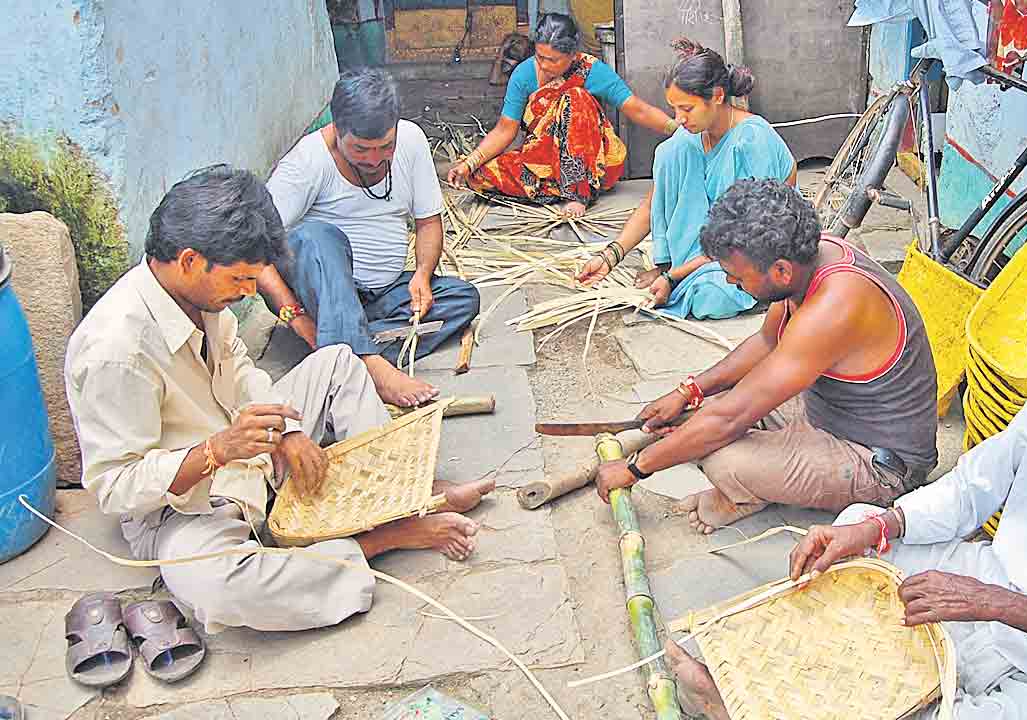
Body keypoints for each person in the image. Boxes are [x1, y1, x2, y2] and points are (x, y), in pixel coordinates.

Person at [666, 269, 1027, 720]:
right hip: (1001, 586)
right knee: (862, 529)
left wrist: (991, 603)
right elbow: (970, 489)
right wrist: (875, 529)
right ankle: (762, 680)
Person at [65, 166, 493, 635]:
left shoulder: (201, 297)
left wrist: (284, 431)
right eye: (240, 280)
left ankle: (392, 500)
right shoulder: (114, 351)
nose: (249, 293)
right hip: (185, 506)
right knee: (218, 587)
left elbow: (244, 373)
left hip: (248, 444)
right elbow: (116, 486)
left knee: (339, 362)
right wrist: (217, 451)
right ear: (188, 260)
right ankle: (378, 539)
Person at [594, 179, 938, 533]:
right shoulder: (807, 260)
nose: (730, 284)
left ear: (781, 271)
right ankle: (763, 476)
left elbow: (730, 419)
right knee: (706, 416)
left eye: (737, 277)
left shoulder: (836, 304)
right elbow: (767, 343)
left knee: (723, 457)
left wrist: (635, 469)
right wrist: (688, 392)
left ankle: (742, 495)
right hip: (827, 412)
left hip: (879, 463)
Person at [261, 67, 481, 408]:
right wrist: (295, 315)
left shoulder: (411, 141)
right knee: (315, 237)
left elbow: (428, 223)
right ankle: (369, 364)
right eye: (361, 149)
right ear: (337, 128)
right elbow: (255, 253)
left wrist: (422, 275)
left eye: (385, 146)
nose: (376, 159)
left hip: (384, 296)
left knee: (462, 298)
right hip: (325, 292)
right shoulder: (306, 163)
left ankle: (341, 346)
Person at [577, 38, 798, 320]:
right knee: (671, 151)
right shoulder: (688, 139)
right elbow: (653, 203)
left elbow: (753, 235)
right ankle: (676, 268)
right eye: (674, 109)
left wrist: (674, 277)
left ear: (717, 96)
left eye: (687, 109)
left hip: (756, 250)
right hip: (712, 250)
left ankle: (688, 276)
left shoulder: (753, 140)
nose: (679, 119)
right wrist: (610, 256)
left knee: (711, 298)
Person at [447, 13, 676, 217]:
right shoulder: (524, 74)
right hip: (543, 162)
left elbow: (638, 109)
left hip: (590, 164)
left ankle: (577, 193)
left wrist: (678, 128)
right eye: (540, 57)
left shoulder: (591, 70)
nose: (544, 66)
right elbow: (505, 129)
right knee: (477, 176)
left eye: (552, 60)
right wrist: (470, 162)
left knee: (574, 96)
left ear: (573, 55)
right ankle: (555, 188)